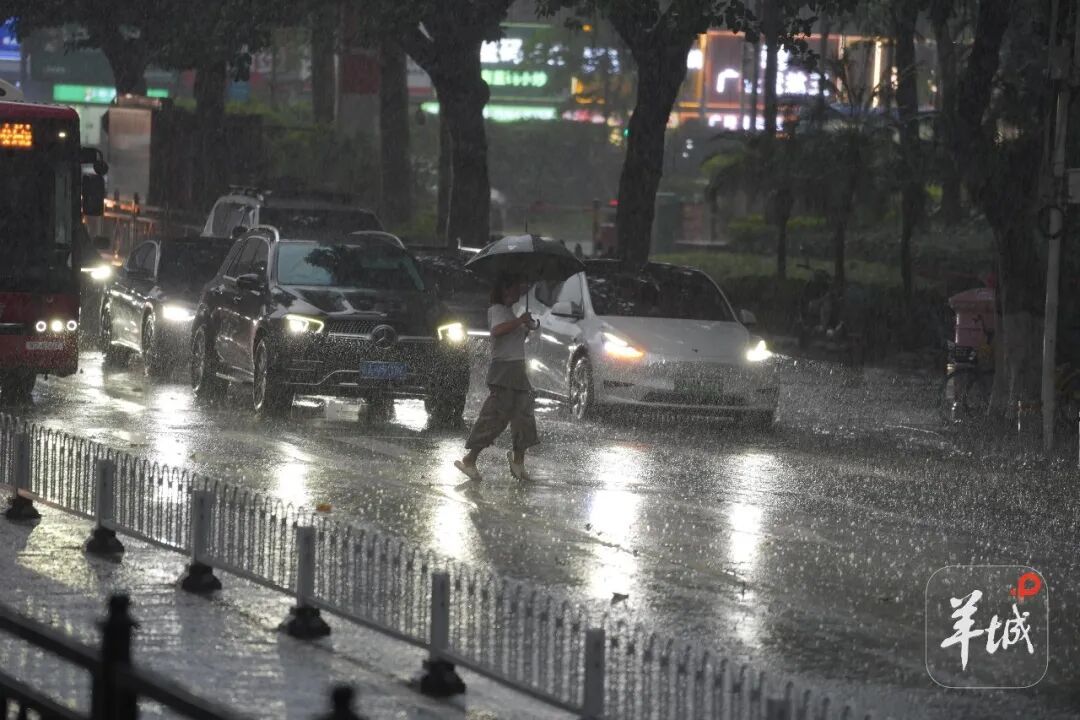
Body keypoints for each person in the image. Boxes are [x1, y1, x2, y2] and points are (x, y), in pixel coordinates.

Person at [455, 274, 538, 482]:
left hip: (517, 369)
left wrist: (526, 327)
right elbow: (497, 331)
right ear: (506, 289)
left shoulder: (510, 311)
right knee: (494, 418)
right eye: (516, 287)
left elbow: (512, 339)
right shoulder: (497, 310)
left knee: (523, 416)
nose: (520, 290)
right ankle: (470, 460)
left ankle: (518, 461)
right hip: (503, 372)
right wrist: (520, 321)